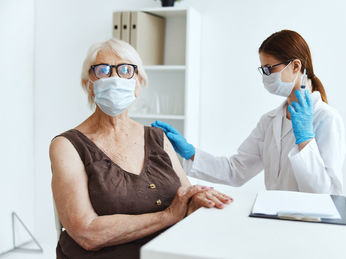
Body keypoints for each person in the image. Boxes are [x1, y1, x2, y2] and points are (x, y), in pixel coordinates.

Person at [49, 38, 233, 259]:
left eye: (126, 70)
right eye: (104, 70)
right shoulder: (67, 145)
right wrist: (167, 216)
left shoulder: (157, 137)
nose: (115, 78)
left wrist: (199, 199)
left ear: (138, 84)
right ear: (89, 85)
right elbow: (86, 233)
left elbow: (185, 198)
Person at [153, 30, 346, 194]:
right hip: (275, 219)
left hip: (311, 226)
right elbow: (236, 171)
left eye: (269, 69)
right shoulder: (270, 121)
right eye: (263, 70)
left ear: (295, 66)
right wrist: (191, 153)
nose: (265, 77)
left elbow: (326, 194)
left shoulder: (326, 118)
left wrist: (305, 140)